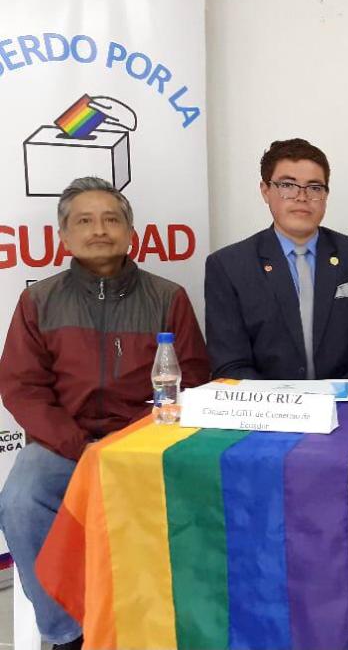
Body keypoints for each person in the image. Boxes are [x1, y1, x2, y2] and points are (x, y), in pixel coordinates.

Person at [0, 177, 209, 650]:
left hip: (144, 443)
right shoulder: (38, 301)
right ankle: (68, 633)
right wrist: (81, 447)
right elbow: (22, 387)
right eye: (85, 221)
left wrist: (132, 443)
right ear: (64, 236)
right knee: (20, 501)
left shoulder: (168, 297)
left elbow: (193, 379)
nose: (99, 230)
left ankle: (170, 623)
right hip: (63, 446)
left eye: (111, 219)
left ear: (130, 233)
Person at [205, 138, 348, 381]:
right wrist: (287, 400)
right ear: (265, 190)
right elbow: (230, 363)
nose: (302, 197)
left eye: (314, 187)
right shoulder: (229, 266)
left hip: (346, 401)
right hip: (267, 403)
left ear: (326, 194)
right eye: (288, 185)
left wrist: (336, 396)